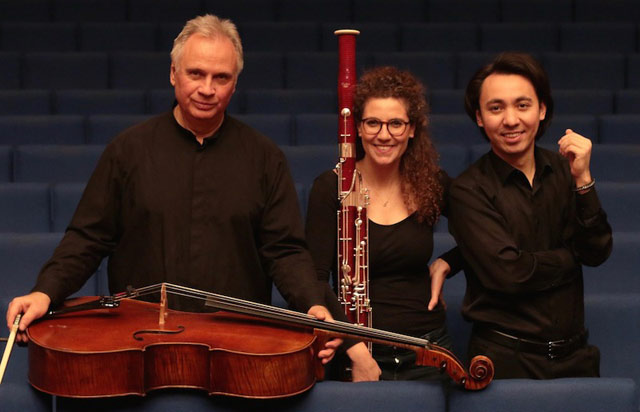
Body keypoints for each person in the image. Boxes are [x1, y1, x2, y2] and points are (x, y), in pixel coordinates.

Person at [5, 14, 376, 372]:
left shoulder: (264, 158)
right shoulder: (128, 151)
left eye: (221, 77)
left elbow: (285, 252)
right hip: (140, 348)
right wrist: (45, 293)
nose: (207, 88)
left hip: (237, 353)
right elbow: (87, 238)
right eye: (196, 73)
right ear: (173, 73)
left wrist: (311, 304)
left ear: (235, 85)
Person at [448, 52, 613, 379]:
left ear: (542, 109)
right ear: (479, 117)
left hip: (576, 358)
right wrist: (569, 257)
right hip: (504, 362)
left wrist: (582, 180)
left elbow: (596, 251)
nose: (511, 120)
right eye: (496, 108)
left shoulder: (567, 172)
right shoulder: (468, 189)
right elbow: (510, 274)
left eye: (522, 105)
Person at [305, 66, 462, 380]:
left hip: (427, 350)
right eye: (373, 123)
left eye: (396, 124)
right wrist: (354, 348)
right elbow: (315, 281)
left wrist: (446, 262)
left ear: (413, 128)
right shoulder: (331, 187)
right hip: (357, 352)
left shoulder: (431, 184)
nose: (384, 134)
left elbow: (486, 236)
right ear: (358, 129)